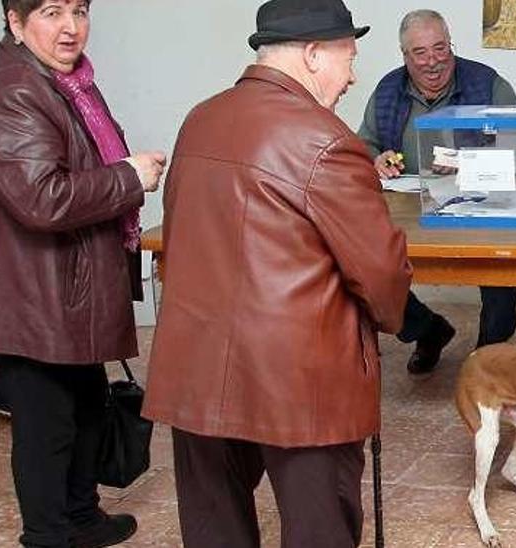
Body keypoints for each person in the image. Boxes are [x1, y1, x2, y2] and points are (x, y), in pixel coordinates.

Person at [141, 1, 411, 546]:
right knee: (319, 530)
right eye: (348, 58)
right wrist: (390, 319)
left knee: (215, 528)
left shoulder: (200, 118)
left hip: (198, 367)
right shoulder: (327, 141)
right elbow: (381, 275)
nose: (353, 75)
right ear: (313, 54)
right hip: (298, 382)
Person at [0, 0, 166, 546]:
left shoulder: (64, 78)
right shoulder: (12, 89)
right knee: (47, 424)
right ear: (15, 21)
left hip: (59, 283)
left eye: (79, 11)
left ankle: (80, 515)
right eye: (51, 12)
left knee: (84, 408)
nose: (70, 27)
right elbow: (43, 199)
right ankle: (49, 533)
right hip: (25, 291)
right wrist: (128, 177)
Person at [359, 9, 516, 375]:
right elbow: (363, 146)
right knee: (368, 266)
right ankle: (427, 329)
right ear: (405, 56)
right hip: (409, 213)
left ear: (451, 46)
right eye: (420, 52)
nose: (432, 61)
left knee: (504, 265)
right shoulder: (387, 90)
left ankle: (487, 357)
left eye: (440, 48)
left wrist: (472, 164)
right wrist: (377, 159)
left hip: (481, 209)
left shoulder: (488, 84)